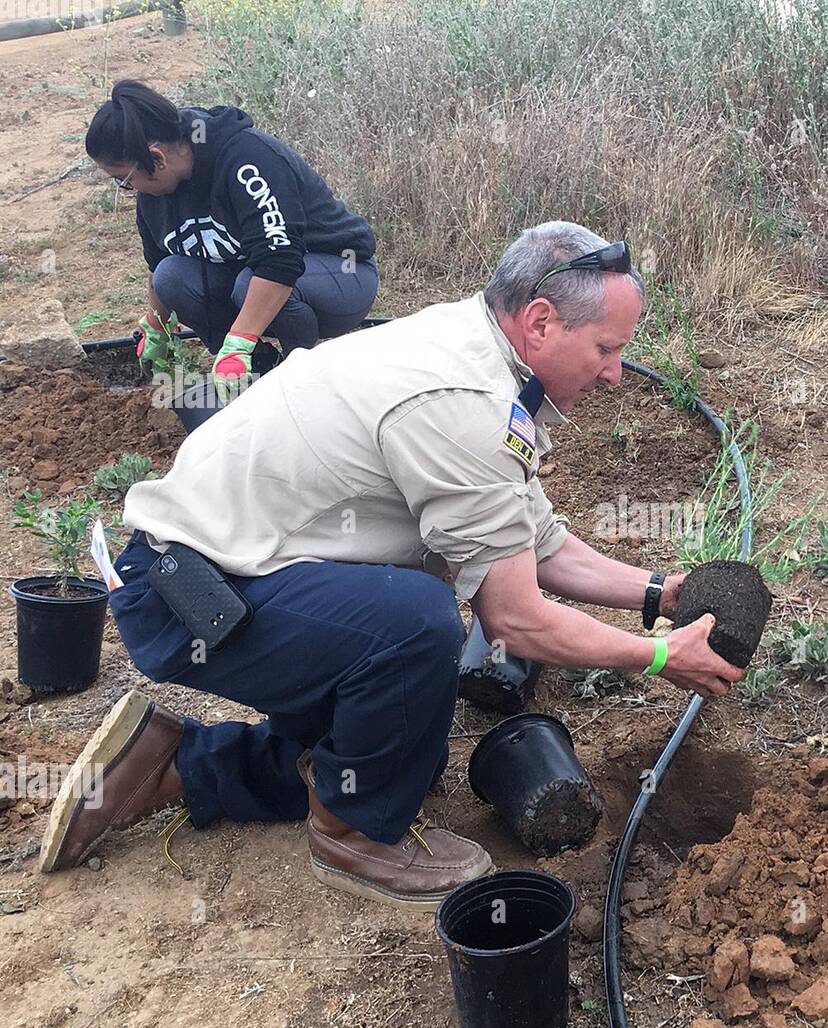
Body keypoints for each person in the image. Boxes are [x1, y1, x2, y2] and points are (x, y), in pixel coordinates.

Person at [39, 221, 743, 911]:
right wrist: (656, 657)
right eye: (607, 349)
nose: (618, 374)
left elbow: (538, 540)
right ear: (539, 321)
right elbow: (514, 619)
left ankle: (165, 767)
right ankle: (351, 836)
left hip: (232, 570)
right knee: (416, 624)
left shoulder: (476, 353)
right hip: (186, 598)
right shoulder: (464, 405)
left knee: (404, 748)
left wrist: (658, 593)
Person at [85, 79, 378, 426]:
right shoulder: (154, 197)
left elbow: (279, 260)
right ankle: (260, 371)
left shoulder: (245, 159)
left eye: (123, 179)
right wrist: (156, 324)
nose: (127, 189)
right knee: (172, 276)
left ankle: (304, 377)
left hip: (341, 274)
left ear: (156, 158)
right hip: (260, 278)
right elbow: (159, 268)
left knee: (247, 283)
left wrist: (238, 342)